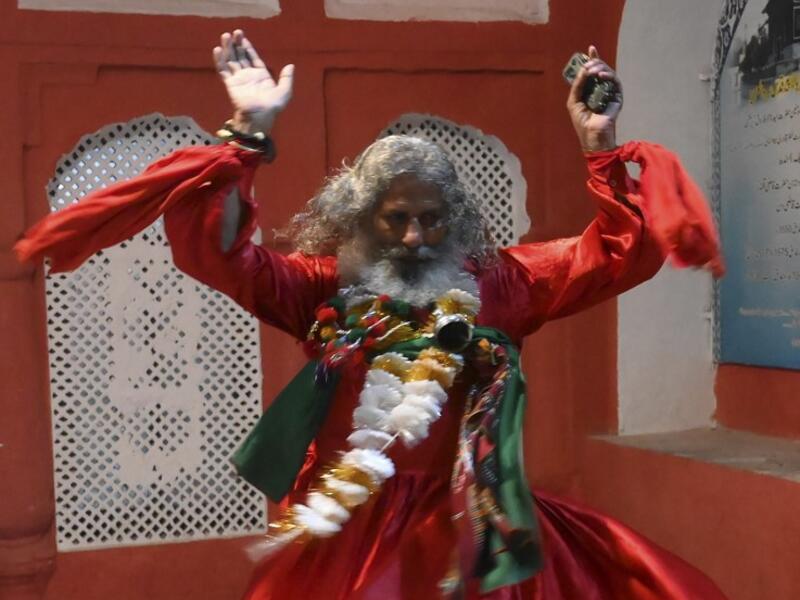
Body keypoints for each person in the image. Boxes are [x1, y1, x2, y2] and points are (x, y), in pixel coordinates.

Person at [16, 30, 727, 600]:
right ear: (359, 217)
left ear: (456, 220)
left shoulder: (504, 285)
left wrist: (599, 145)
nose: (415, 239)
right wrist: (247, 133)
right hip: (344, 540)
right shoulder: (320, 287)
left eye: (431, 221)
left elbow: (617, 255)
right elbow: (218, 254)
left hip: (466, 528)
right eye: (395, 220)